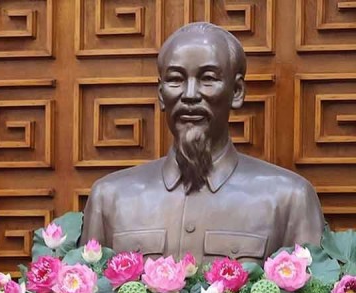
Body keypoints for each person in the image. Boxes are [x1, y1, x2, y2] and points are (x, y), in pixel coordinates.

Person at [81, 22, 323, 264]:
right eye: (176, 80)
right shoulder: (110, 197)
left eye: (208, 79)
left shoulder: (290, 199)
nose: (190, 95)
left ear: (237, 91)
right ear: (161, 93)